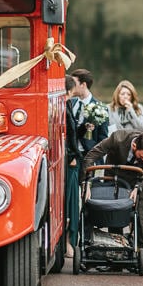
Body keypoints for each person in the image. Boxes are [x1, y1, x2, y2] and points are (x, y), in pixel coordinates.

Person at [83, 130, 143, 258]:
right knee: (114, 211)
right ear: (134, 146)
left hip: (139, 179)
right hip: (115, 176)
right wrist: (87, 183)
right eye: (141, 157)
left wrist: (138, 187)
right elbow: (91, 156)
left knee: (141, 215)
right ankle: (116, 255)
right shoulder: (117, 139)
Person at [64, 74, 83, 253]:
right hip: (69, 159)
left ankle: (70, 240)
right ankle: (68, 241)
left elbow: (73, 132)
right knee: (70, 200)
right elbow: (69, 135)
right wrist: (74, 155)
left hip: (71, 156)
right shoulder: (65, 105)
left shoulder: (68, 104)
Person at [69, 68, 109, 153]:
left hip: (88, 155)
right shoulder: (70, 103)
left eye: (74, 84)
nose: (71, 86)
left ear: (83, 85)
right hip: (70, 156)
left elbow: (103, 138)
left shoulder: (100, 108)